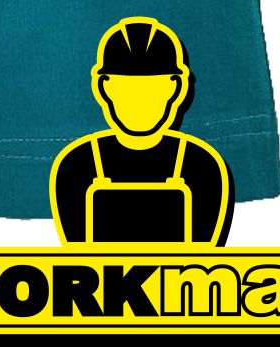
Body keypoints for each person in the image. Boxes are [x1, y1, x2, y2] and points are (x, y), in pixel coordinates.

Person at [50, 19, 233, 245]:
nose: (139, 101)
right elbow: (80, 254)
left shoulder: (202, 167)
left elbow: (201, 256)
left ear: (176, 87)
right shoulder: (77, 166)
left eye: (152, 89)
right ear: (104, 86)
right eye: (126, 88)